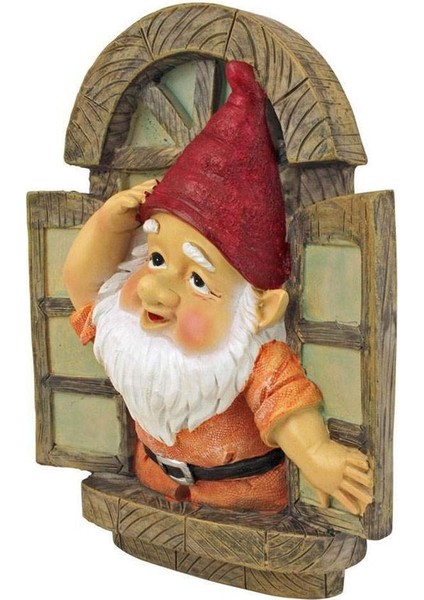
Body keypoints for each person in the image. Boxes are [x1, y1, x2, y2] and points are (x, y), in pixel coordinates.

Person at [64, 61, 373, 515]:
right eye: (156, 259)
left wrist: (316, 454)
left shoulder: (253, 358)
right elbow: (83, 286)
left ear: (260, 309)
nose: (154, 291)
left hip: (244, 507)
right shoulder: (127, 339)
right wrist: (108, 226)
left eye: (197, 280)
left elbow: (287, 407)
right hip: (152, 491)